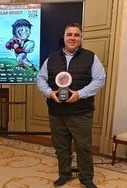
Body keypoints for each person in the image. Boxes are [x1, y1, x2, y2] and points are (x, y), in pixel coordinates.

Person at [36, 23, 106, 188]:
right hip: (56, 112)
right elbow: (40, 78)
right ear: (64, 37)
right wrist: (49, 93)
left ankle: (86, 178)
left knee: (83, 147)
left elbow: (99, 80)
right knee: (61, 146)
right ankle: (65, 174)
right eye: (69, 34)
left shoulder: (91, 57)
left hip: (81, 112)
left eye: (76, 35)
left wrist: (79, 94)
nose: (72, 38)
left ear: (81, 38)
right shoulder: (51, 58)